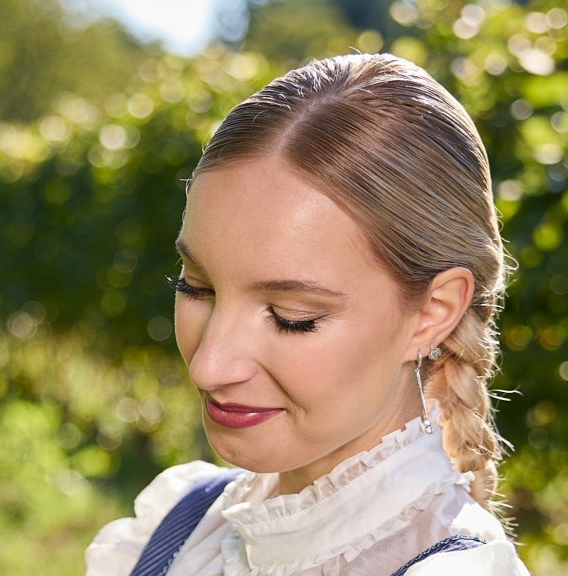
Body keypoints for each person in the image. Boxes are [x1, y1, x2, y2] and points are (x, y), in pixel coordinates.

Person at [85, 53, 530, 576]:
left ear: (432, 313)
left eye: (290, 315)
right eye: (196, 287)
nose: (208, 366)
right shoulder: (177, 525)